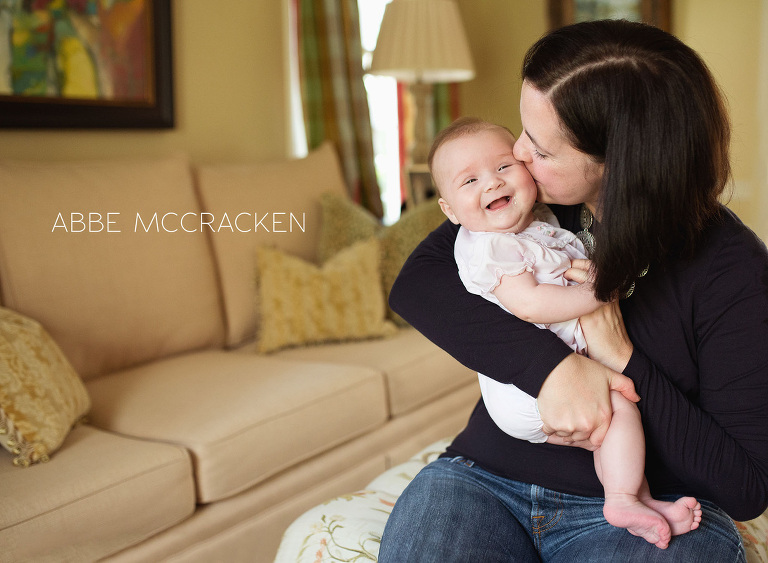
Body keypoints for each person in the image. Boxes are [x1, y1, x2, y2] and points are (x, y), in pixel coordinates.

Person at [378, 19, 768, 562]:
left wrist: (622, 357)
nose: (516, 154)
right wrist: (554, 370)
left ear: (620, 164)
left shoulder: (732, 271)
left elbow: (746, 484)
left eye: (539, 147)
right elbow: (417, 284)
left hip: (644, 508)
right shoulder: (529, 201)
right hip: (484, 481)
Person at [430, 116, 701, 548]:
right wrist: (604, 290)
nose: (492, 184)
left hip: (545, 381)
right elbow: (532, 303)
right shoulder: (490, 245)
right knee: (619, 412)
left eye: (503, 167)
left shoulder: (535, 222)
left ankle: (640, 500)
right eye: (469, 181)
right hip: (526, 391)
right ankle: (623, 497)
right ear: (449, 210)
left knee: (616, 425)